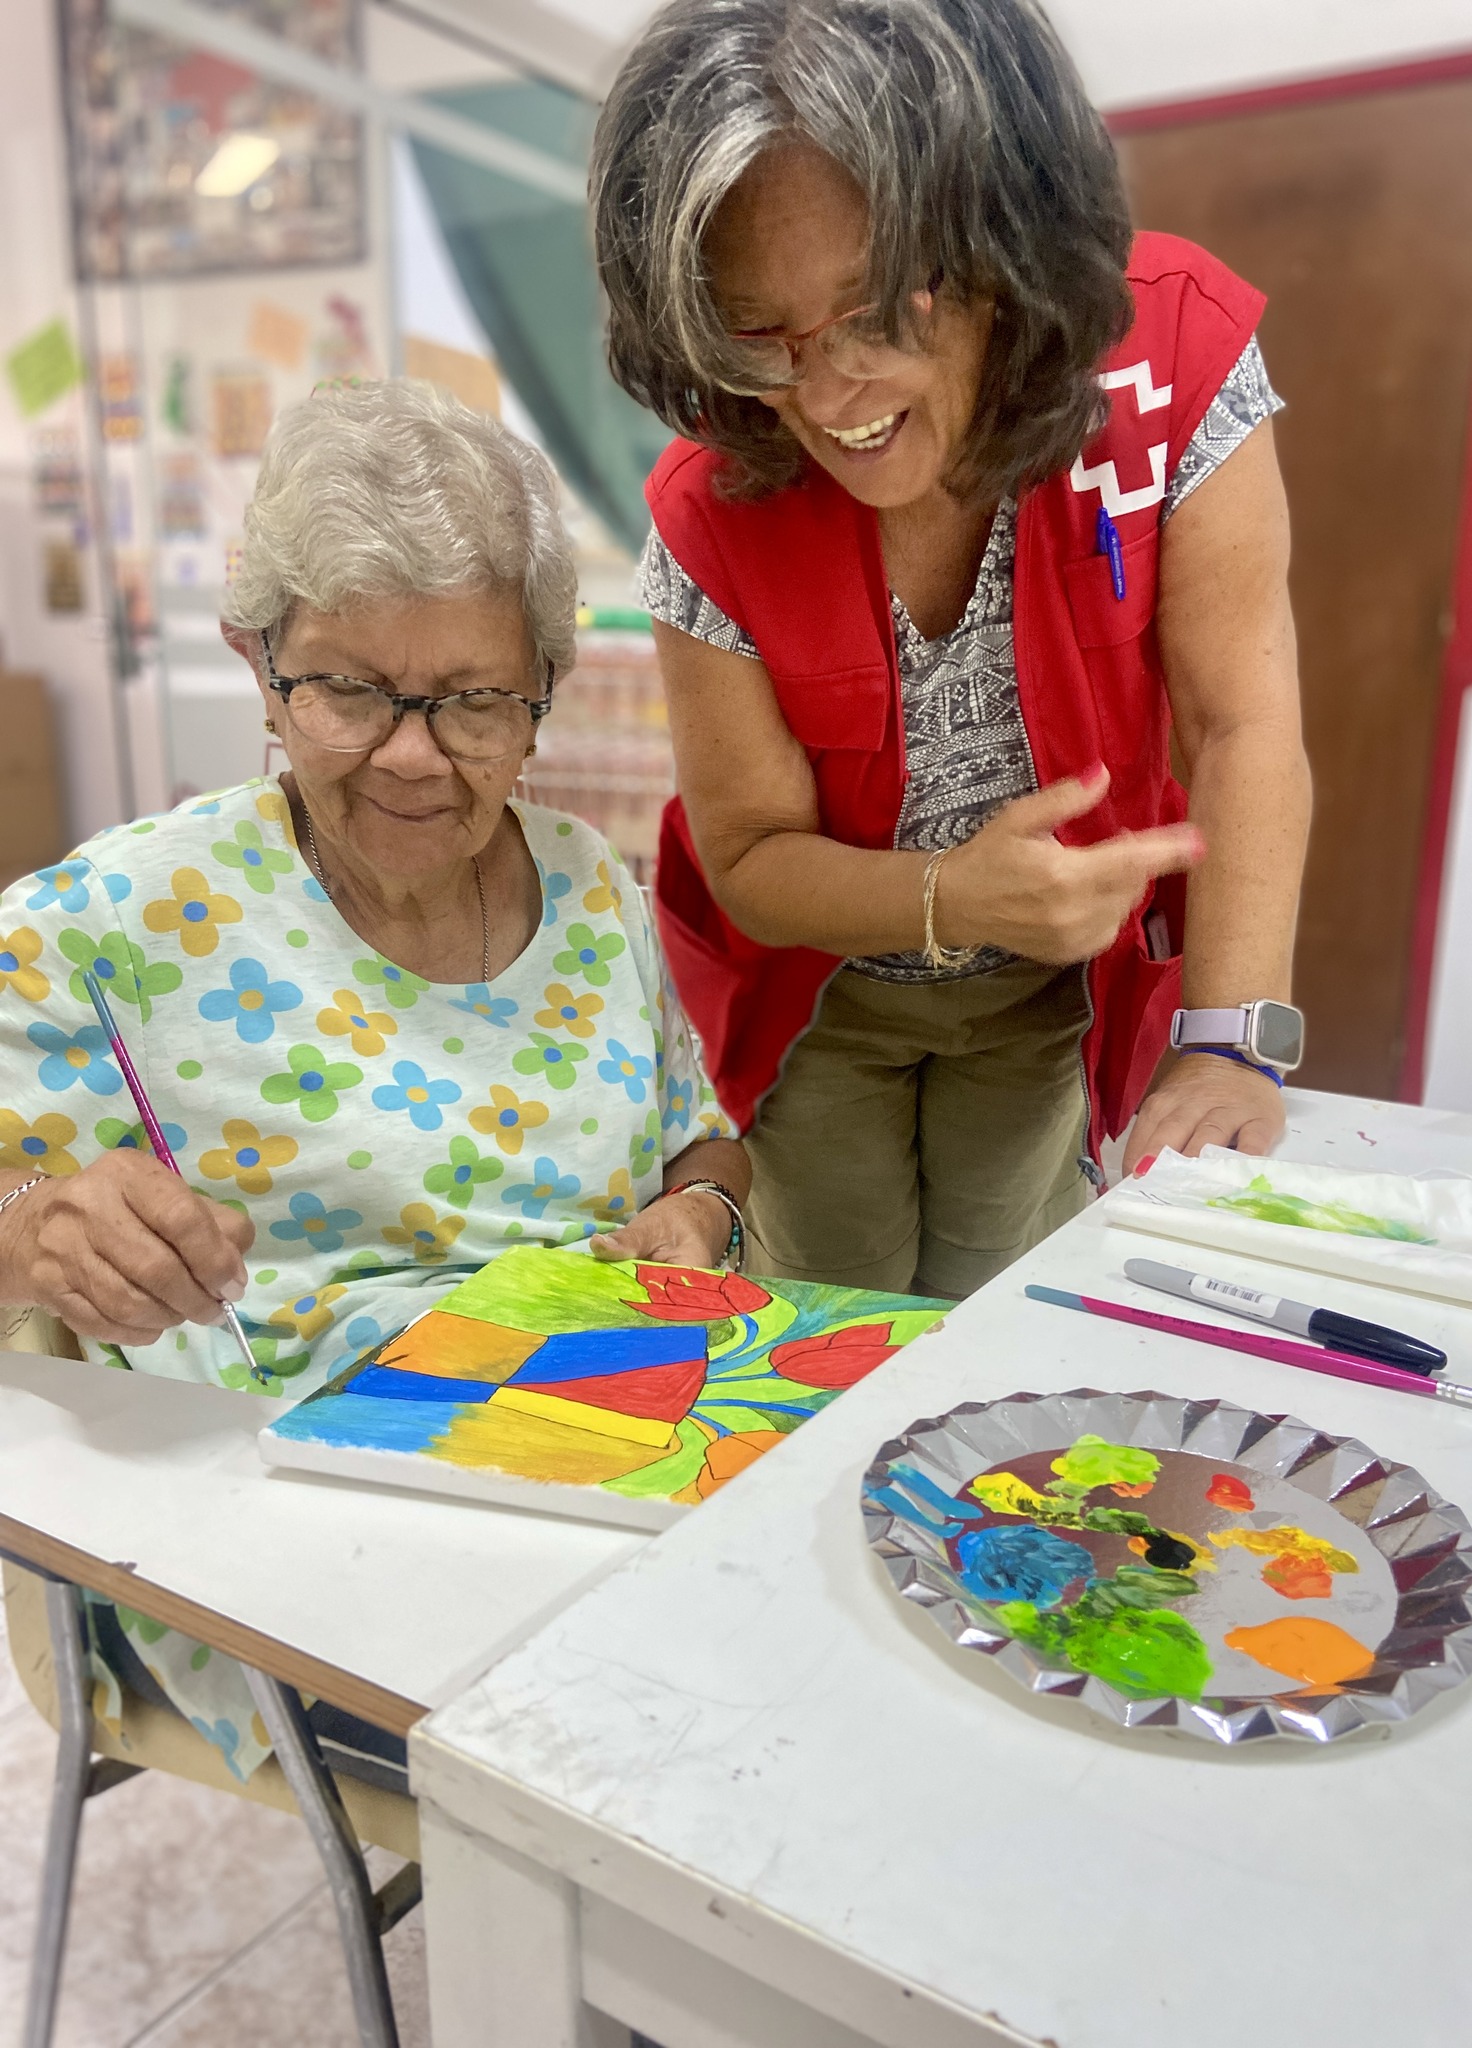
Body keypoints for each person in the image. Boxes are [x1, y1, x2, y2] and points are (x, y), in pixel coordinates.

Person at [0, 378, 746, 1776]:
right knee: (693, 1746)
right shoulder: (126, 922)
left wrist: (699, 1218)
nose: (412, 756)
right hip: (290, 1555)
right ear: (261, 666)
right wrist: (37, 1233)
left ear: (539, 702)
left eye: (469, 701)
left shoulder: (588, 887)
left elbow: (697, 1145)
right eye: (347, 689)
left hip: (608, 1456)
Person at [591, 0, 1312, 1300]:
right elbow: (751, 854)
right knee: (824, 1306)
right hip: (811, 994)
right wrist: (946, 900)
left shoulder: (1172, 366)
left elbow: (1240, 720)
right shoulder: (712, 500)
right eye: (759, 335)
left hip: (1046, 983)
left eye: (877, 312)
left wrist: (1232, 1043)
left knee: (1005, 1289)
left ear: (1004, 244)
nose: (827, 397)